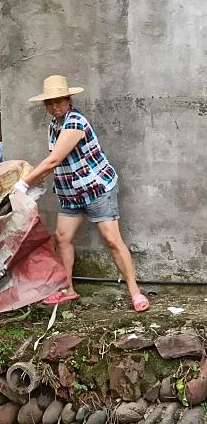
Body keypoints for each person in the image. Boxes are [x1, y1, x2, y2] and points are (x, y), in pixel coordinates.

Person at [13, 75, 149, 312]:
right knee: (62, 237)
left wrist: (24, 183)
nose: (55, 106)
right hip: (71, 194)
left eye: (60, 101)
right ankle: (68, 289)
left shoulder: (75, 122)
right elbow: (57, 161)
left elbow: (54, 159)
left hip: (97, 188)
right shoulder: (53, 127)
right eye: (50, 102)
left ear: (69, 100)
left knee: (111, 240)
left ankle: (135, 292)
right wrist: (37, 182)